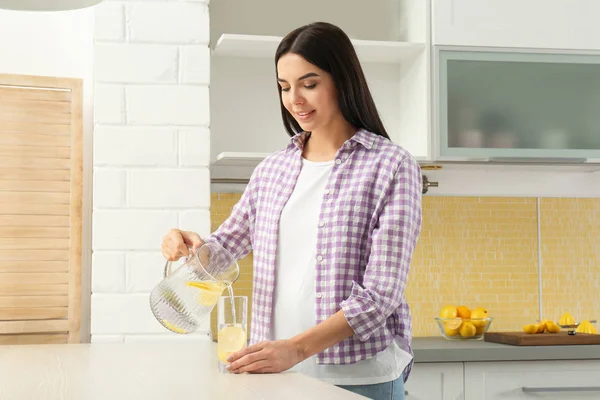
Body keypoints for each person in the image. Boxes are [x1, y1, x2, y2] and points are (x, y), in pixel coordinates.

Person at [161, 21, 422, 400]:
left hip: (359, 378)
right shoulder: (274, 168)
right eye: (284, 87)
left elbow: (381, 294)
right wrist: (187, 244)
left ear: (343, 80)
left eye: (309, 84)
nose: (294, 99)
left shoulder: (391, 165)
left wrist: (296, 348)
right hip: (275, 375)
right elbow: (222, 250)